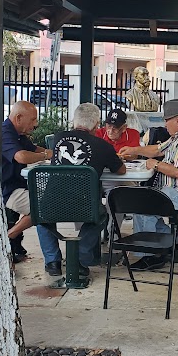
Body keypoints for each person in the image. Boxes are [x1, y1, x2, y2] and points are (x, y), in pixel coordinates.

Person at [119, 99, 178, 270]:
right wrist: (134, 150)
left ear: (177, 121)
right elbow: (158, 149)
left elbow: (177, 172)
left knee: (143, 206)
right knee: (142, 201)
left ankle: (151, 255)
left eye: (166, 120)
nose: (164, 125)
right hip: (173, 190)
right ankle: (168, 242)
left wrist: (155, 164)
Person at [42, 103, 127, 277]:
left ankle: (53, 262)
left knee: (41, 216)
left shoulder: (58, 138)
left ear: (74, 121)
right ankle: (80, 259)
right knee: (101, 214)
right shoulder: (103, 146)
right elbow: (121, 170)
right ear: (96, 125)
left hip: (52, 204)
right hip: (85, 205)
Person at [1, 101, 54, 263]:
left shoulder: (19, 134)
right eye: (32, 119)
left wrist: (53, 152)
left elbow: (33, 149)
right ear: (18, 118)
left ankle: (51, 258)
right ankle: (9, 236)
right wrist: (46, 155)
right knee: (45, 208)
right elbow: (21, 156)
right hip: (7, 190)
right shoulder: (4, 133)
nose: (35, 124)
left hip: (20, 185)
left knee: (51, 199)